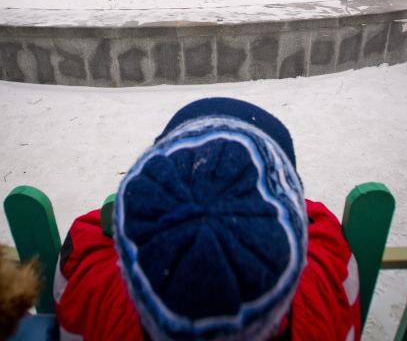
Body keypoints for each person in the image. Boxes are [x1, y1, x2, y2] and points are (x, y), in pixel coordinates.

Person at [54, 98, 360, 341]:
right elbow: (319, 228)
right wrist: (247, 200)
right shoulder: (322, 300)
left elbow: (89, 237)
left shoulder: (96, 297)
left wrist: (168, 201)